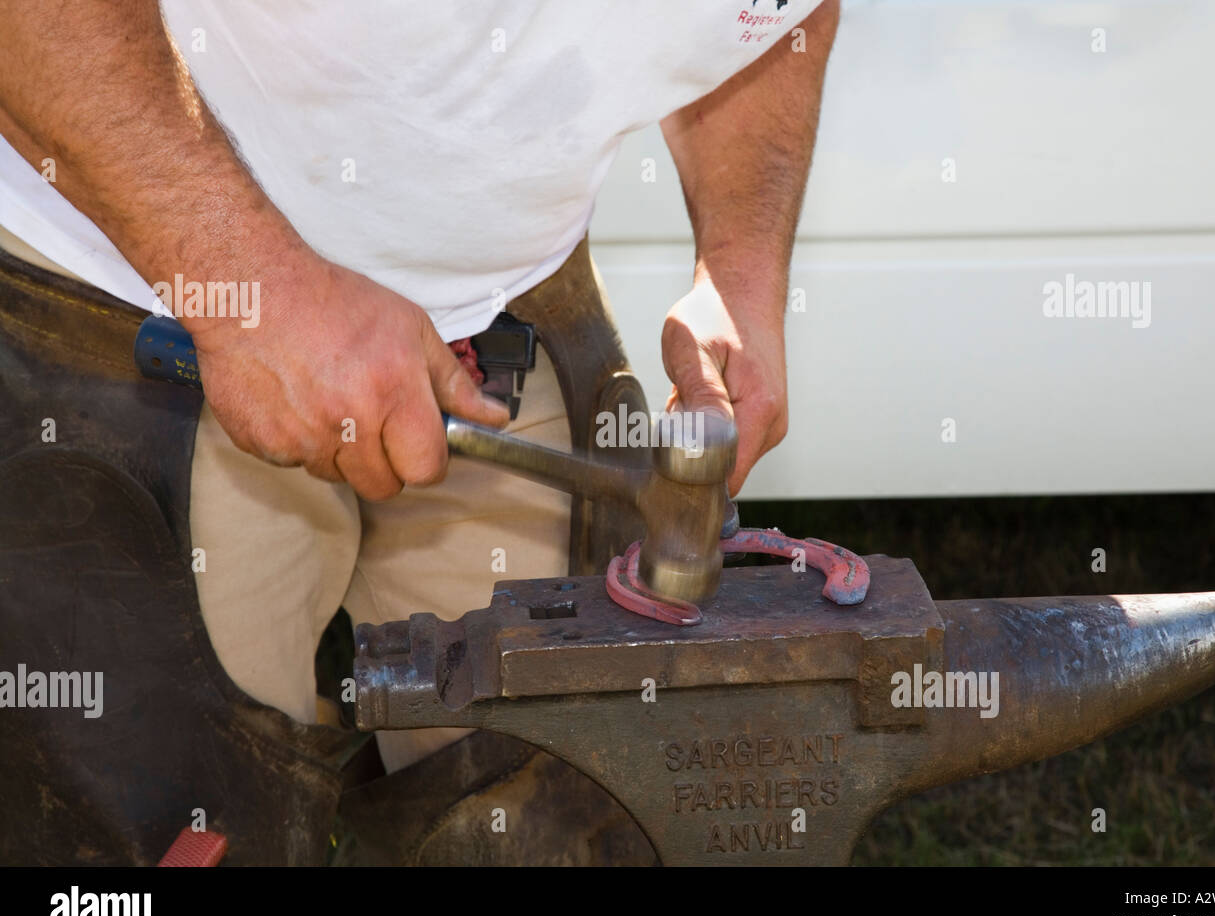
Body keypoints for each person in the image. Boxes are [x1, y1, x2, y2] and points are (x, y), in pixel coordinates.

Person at [0, 0, 838, 857]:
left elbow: (773, 21)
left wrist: (739, 268)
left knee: (547, 805)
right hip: (144, 289)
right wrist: (250, 291)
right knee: (166, 828)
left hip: (511, 303)